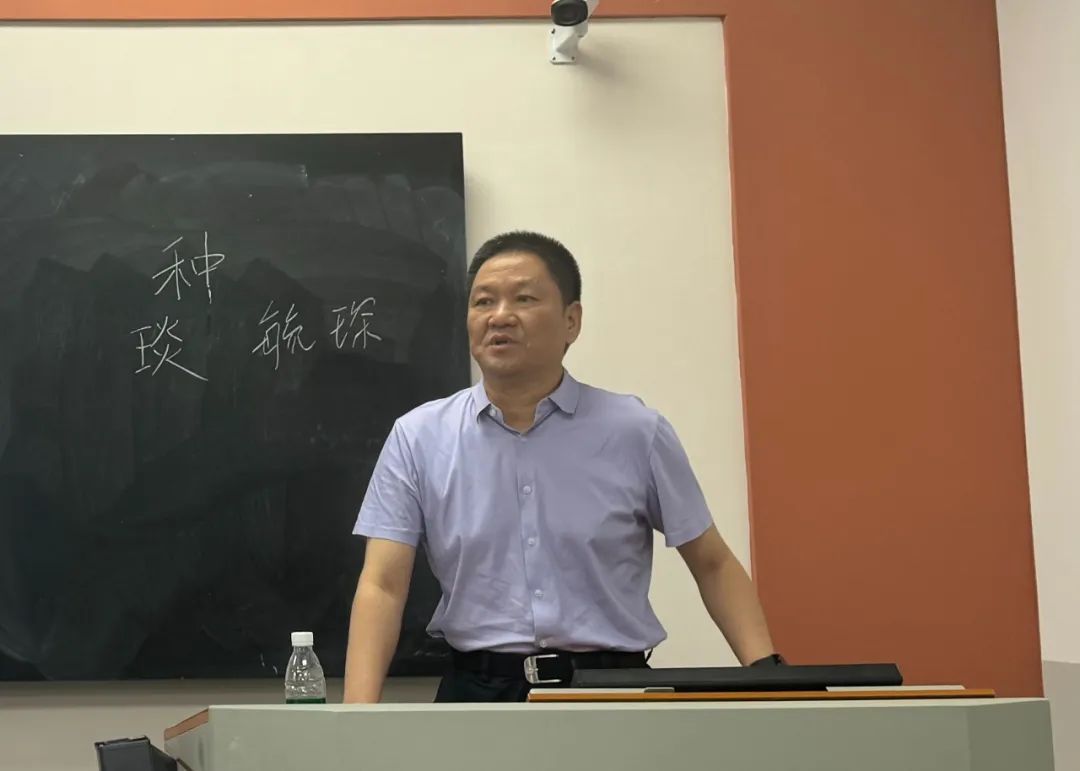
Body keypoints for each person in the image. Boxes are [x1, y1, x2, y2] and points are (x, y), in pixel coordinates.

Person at [343, 231, 781, 703]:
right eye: (483, 301)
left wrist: (772, 678)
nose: (500, 316)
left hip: (610, 693)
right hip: (478, 694)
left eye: (524, 298)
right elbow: (383, 585)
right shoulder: (419, 437)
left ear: (572, 320)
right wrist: (355, 719)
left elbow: (712, 563)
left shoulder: (635, 431)